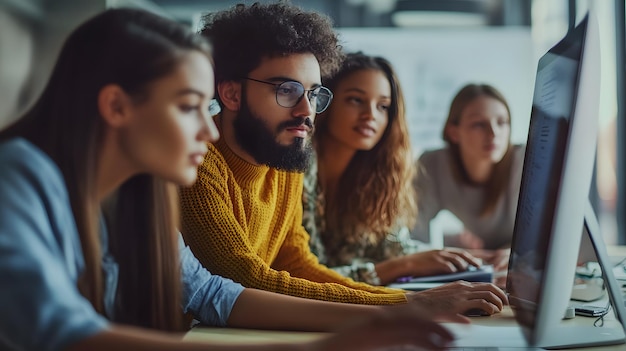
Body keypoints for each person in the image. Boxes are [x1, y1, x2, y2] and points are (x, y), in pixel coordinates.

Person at [0, 8, 472, 351]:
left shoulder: (138, 194)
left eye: (312, 93)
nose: (206, 129)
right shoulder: (19, 177)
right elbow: (61, 334)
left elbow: (211, 293)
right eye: (188, 106)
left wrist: (393, 312)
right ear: (117, 107)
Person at [180, 2, 507, 313]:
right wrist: (408, 305)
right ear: (232, 93)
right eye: (286, 90)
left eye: (312, 93)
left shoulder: (284, 156)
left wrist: (407, 300)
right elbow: (245, 278)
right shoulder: (197, 162)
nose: (306, 110)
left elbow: (297, 264)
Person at [302, 52, 483, 286]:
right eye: (356, 100)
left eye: (383, 106)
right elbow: (309, 276)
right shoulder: (301, 165)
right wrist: (404, 266)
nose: (370, 115)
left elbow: (394, 249)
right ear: (326, 103)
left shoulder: (373, 176)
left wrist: (478, 259)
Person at [410, 83, 525, 271]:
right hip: (482, 268)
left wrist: (517, 253)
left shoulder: (525, 161)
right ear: (454, 132)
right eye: (479, 124)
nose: (493, 133)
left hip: (515, 269)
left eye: (502, 122)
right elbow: (412, 235)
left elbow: (546, 237)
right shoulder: (432, 164)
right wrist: (449, 247)